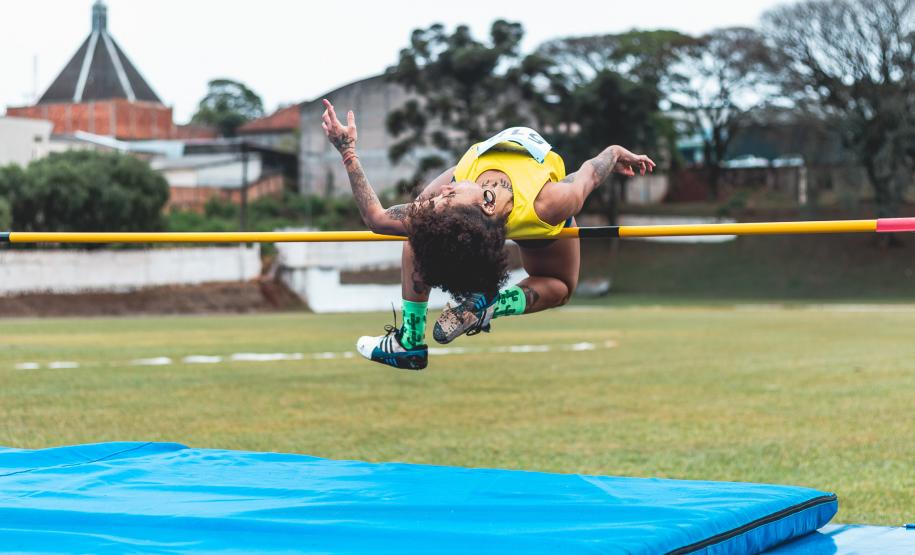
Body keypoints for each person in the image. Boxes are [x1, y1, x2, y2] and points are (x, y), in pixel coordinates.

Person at [320, 99, 655, 370]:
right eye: (447, 198)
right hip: (537, 222)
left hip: (517, 216)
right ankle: (487, 306)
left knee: (420, 225)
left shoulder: (463, 176)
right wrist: (615, 151)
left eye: (445, 196)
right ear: (485, 203)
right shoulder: (550, 202)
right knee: (560, 287)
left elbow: (377, 218)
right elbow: (589, 174)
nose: (444, 191)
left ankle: (410, 340)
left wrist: (347, 150)